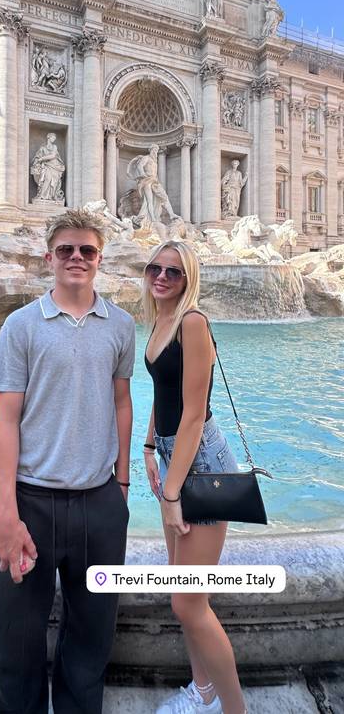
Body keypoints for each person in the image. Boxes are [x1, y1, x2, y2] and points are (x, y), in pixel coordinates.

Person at [0, 208, 135, 714]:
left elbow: (121, 401)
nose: (77, 257)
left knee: (92, 640)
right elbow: (5, 419)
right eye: (66, 250)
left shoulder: (122, 325)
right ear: (49, 258)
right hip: (32, 501)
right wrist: (6, 514)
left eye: (87, 250)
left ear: (100, 259)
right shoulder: (21, 325)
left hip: (99, 503)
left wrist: (121, 485)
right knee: (17, 643)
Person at [142, 240, 247, 714]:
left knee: (188, 603)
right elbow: (162, 392)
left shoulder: (192, 322)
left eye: (174, 272)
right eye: (155, 268)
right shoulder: (160, 320)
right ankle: (203, 692)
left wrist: (171, 494)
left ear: (189, 279)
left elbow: (192, 414)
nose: (162, 277)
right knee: (182, 592)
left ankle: (234, 709)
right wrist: (149, 447)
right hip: (174, 459)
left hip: (201, 465)